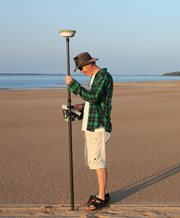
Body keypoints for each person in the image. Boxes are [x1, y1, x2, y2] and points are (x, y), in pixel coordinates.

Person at [65, 52, 113, 211]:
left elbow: (93, 97)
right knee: (94, 160)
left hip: (98, 126)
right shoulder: (95, 78)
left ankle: (101, 197)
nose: (80, 71)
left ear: (90, 64)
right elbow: (94, 103)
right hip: (91, 125)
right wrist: (79, 108)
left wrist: (74, 85)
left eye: (81, 67)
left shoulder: (103, 77)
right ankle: (102, 193)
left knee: (98, 161)